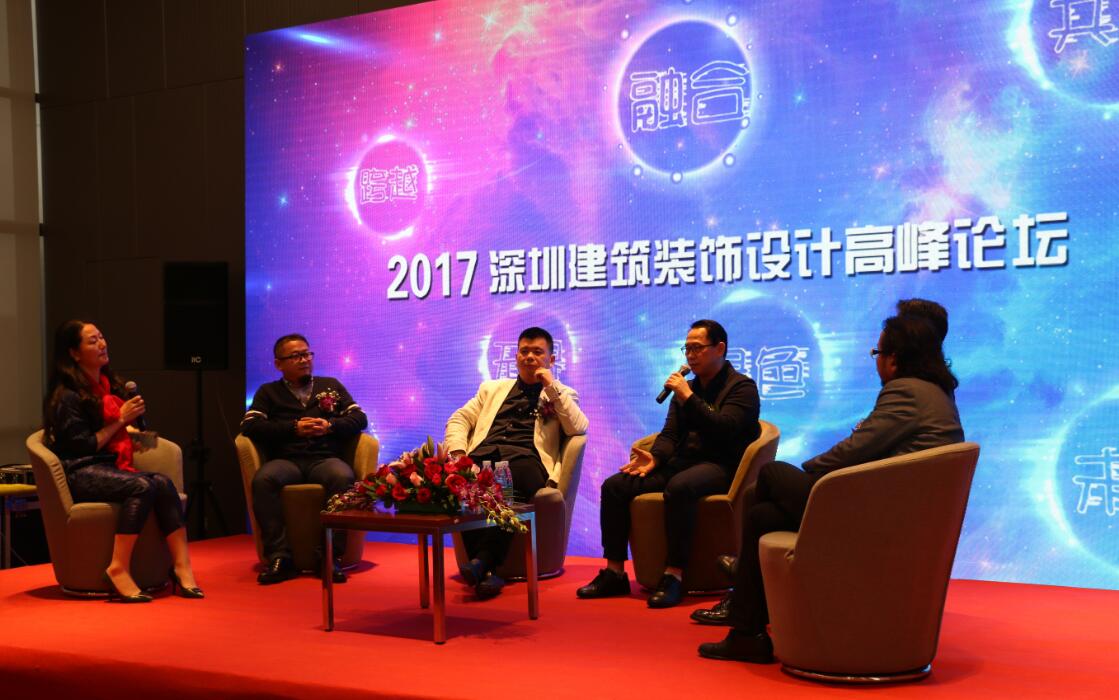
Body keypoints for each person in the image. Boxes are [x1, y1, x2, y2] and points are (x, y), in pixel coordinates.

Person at [697, 314, 965, 663]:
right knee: (763, 515)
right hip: (900, 513)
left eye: (876, 353)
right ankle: (747, 632)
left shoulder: (905, 391)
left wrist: (810, 469)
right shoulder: (936, 393)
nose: (875, 361)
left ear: (895, 359)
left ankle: (743, 581)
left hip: (880, 520)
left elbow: (856, 449)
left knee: (773, 474)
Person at [577, 320, 761, 608]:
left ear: (720, 348)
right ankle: (614, 572)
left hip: (722, 465)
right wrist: (656, 457)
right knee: (615, 486)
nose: (691, 355)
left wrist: (688, 397)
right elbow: (670, 434)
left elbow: (725, 430)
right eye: (687, 349)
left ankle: (673, 575)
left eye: (697, 348)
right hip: (682, 462)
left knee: (680, 488)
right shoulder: (687, 389)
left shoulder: (742, 388)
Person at [42, 320, 203, 602]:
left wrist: (133, 432)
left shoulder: (109, 387)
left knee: (162, 483)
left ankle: (181, 567)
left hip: (107, 465)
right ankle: (117, 568)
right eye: (92, 341)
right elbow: (83, 446)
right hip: (81, 471)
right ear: (74, 353)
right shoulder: (66, 396)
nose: (102, 344)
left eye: (102, 337)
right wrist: (120, 420)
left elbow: (115, 432)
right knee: (142, 485)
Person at [445, 327, 588, 599]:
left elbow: (578, 427)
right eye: (524, 351)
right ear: (516, 356)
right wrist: (459, 455)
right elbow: (459, 418)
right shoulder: (491, 389)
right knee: (468, 483)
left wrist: (550, 385)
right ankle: (489, 571)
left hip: (527, 462)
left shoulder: (563, 393)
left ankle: (483, 561)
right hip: (484, 456)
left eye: (537, 352)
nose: (530, 357)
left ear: (551, 359)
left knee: (509, 477)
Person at [241, 334, 368, 584]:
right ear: (279, 364)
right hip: (287, 460)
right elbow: (250, 426)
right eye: (296, 356)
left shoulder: (330, 385)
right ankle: (279, 557)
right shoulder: (268, 392)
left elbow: (359, 419)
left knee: (342, 477)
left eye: (307, 354)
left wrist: (330, 426)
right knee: (264, 480)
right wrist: (293, 428)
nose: (304, 360)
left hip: (324, 459)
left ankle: (329, 556)